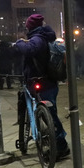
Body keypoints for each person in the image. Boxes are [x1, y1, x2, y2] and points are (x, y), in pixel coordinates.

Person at [13, 14, 70, 160]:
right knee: (50, 113)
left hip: (41, 81)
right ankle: (55, 141)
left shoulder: (38, 38)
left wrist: (19, 43)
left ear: (30, 26)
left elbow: (30, 50)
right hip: (48, 81)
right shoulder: (46, 36)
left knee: (50, 116)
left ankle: (61, 146)